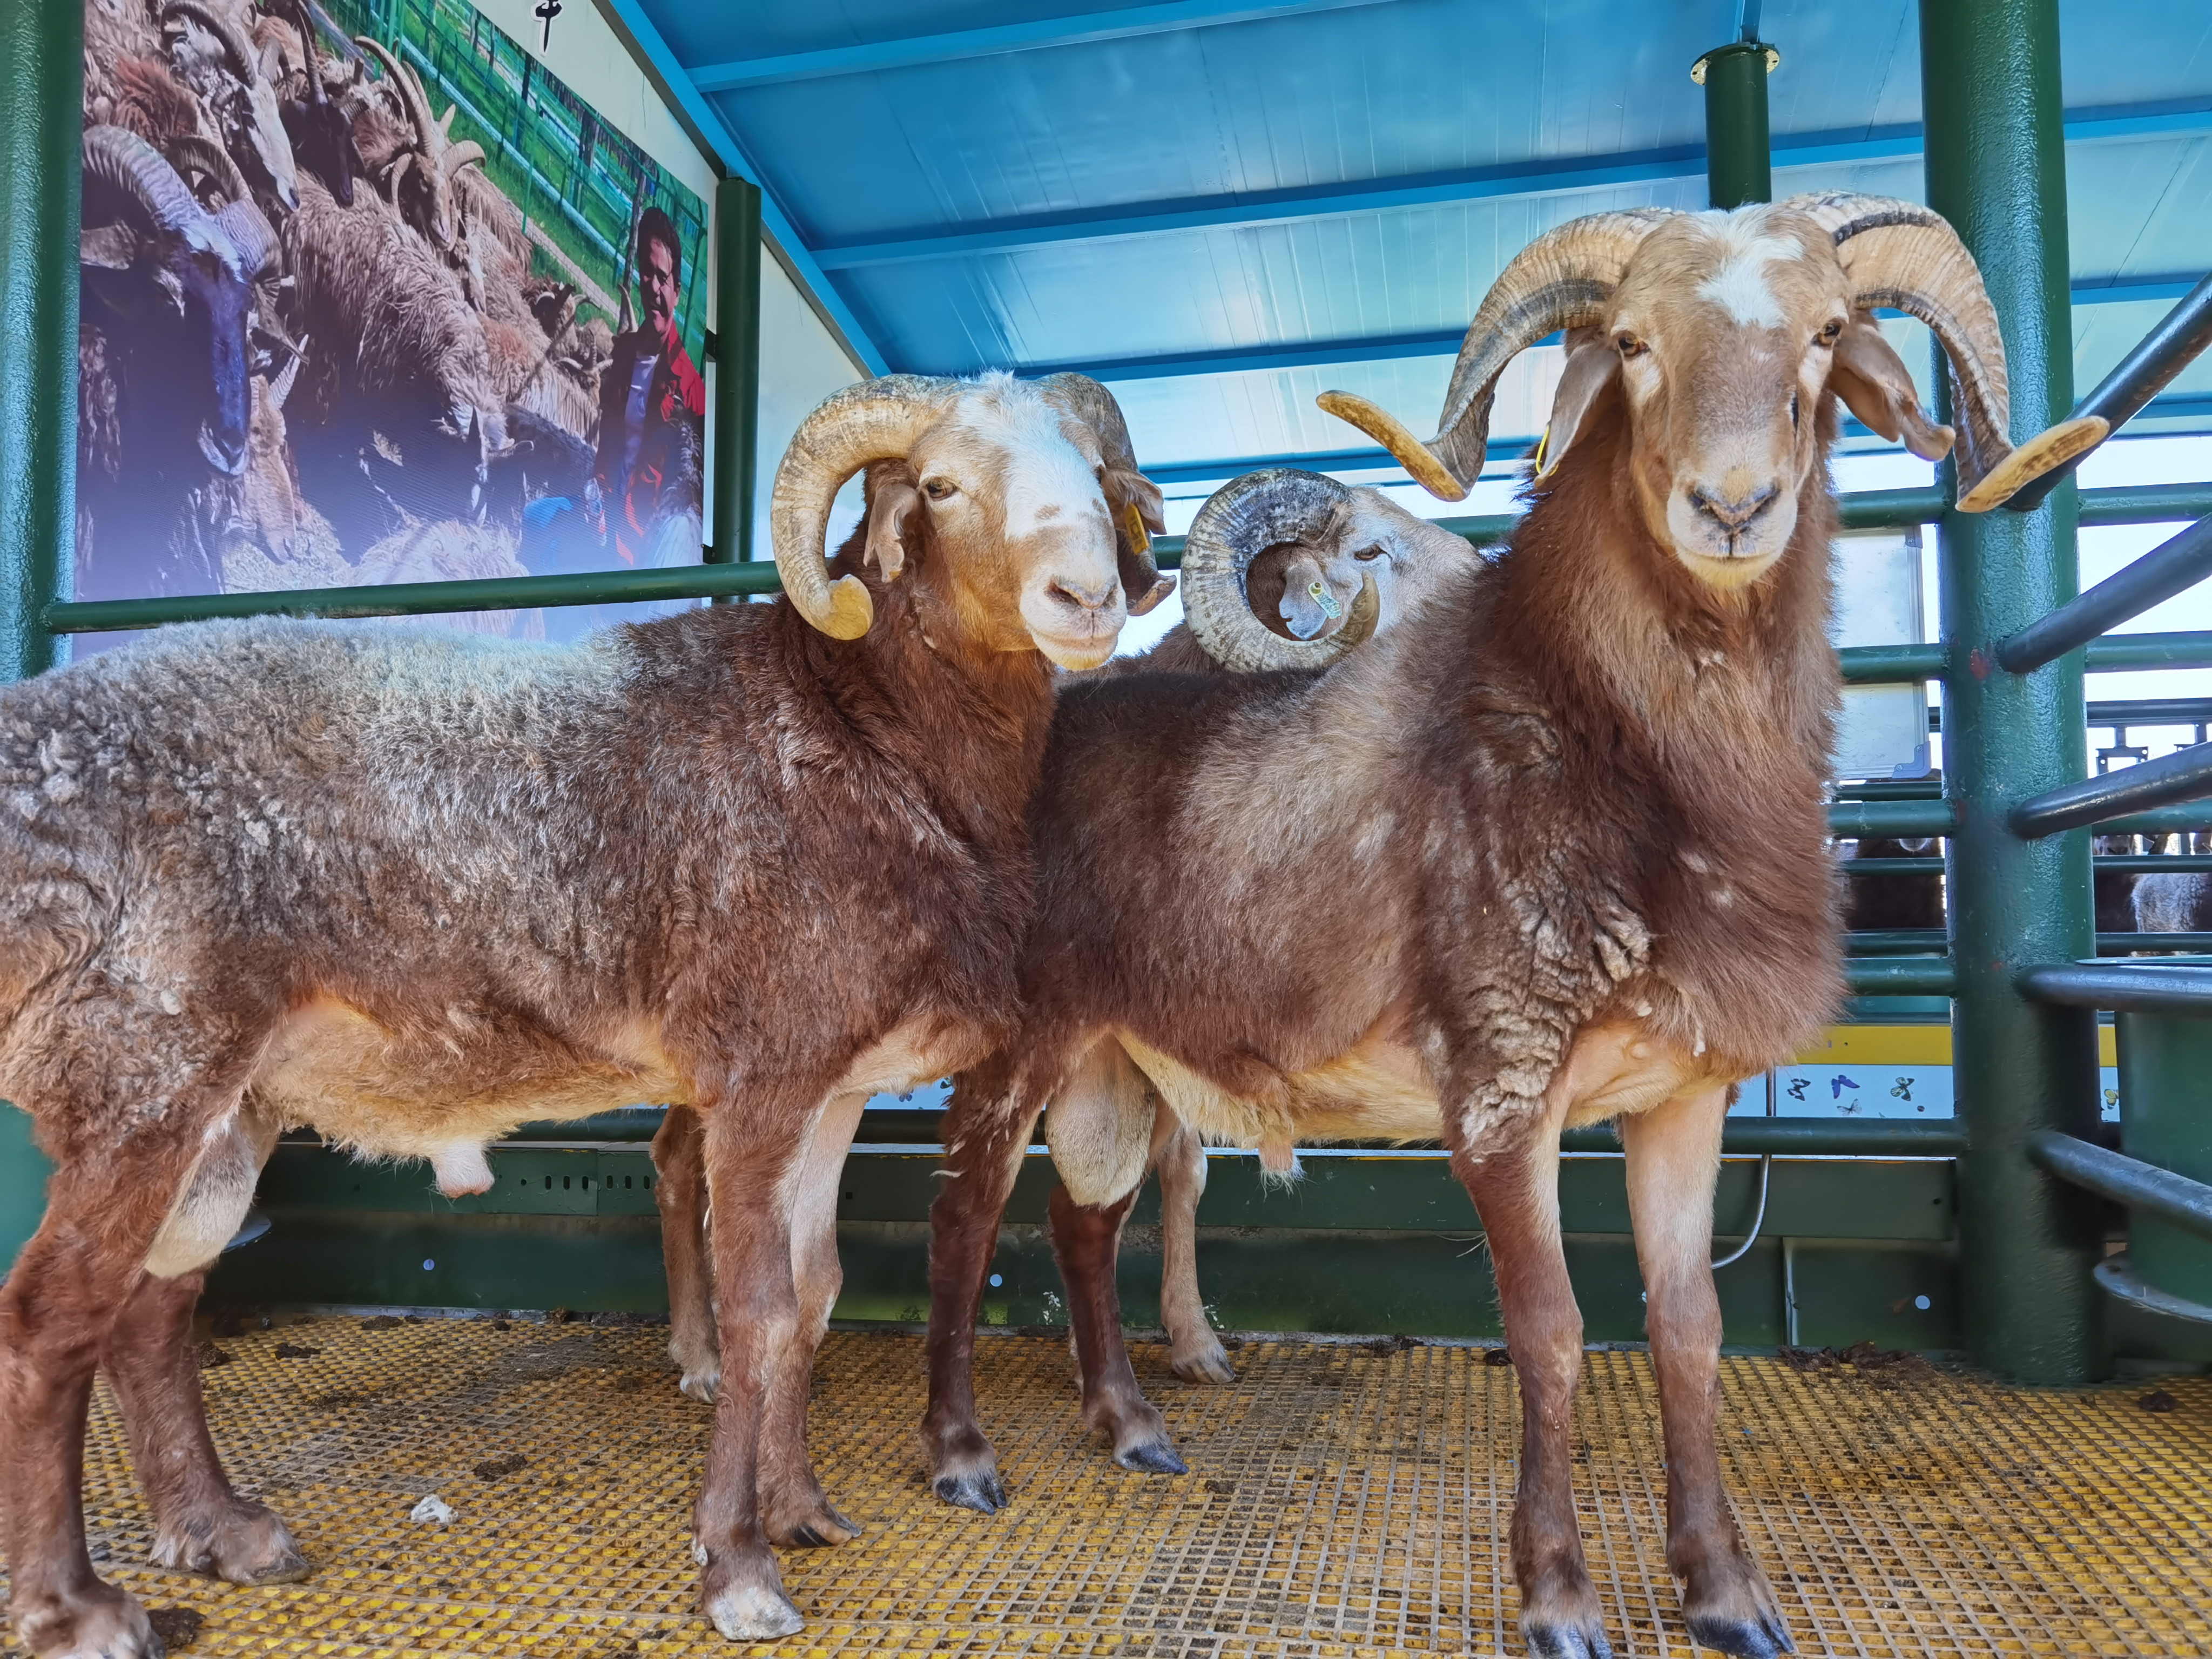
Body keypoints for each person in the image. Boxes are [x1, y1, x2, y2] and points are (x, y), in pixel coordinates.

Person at [589, 204, 705, 569]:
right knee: (537, 520)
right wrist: (596, 495)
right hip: (602, 522)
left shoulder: (692, 390)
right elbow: (608, 445)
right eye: (646, 273)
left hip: (645, 550)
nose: (653, 287)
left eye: (662, 278)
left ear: (677, 291)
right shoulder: (624, 356)